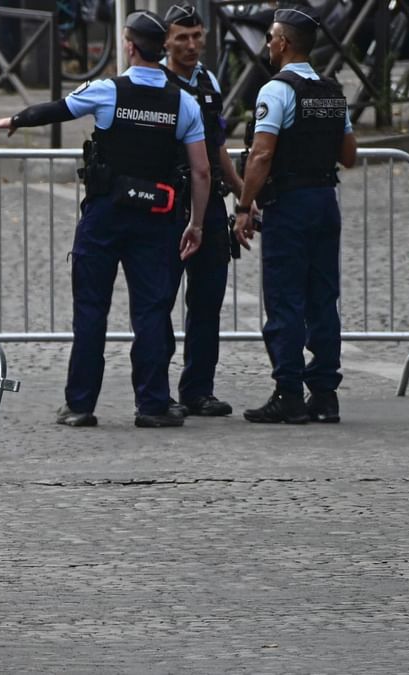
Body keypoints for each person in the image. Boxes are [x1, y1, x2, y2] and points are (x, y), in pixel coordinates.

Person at [0, 10, 211, 428]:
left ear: (129, 46)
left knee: (90, 311)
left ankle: (80, 405)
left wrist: (14, 120)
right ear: (160, 49)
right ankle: (153, 405)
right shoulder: (183, 102)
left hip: (106, 214)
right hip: (158, 216)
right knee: (151, 311)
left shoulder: (108, 90)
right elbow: (200, 171)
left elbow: (57, 109)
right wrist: (196, 224)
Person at [233, 6, 357, 424]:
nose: (268, 43)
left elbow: (262, 153)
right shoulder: (331, 91)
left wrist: (244, 205)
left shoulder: (276, 90)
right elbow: (350, 155)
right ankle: (324, 395)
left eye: (270, 37)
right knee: (323, 299)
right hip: (325, 201)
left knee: (285, 300)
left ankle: (288, 394)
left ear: (283, 43)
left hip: (289, 204)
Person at [160, 2, 245, 417]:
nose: (191, 45)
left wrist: (242, 194)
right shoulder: (152, 81)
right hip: (167, 204)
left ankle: (198, 389)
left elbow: (218, 146)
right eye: (182, 38)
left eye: (197, 37)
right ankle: (157, 393)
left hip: (208, 201)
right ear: (166, 41)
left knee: (207, 299)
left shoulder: (208, 80)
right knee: (158, 300)